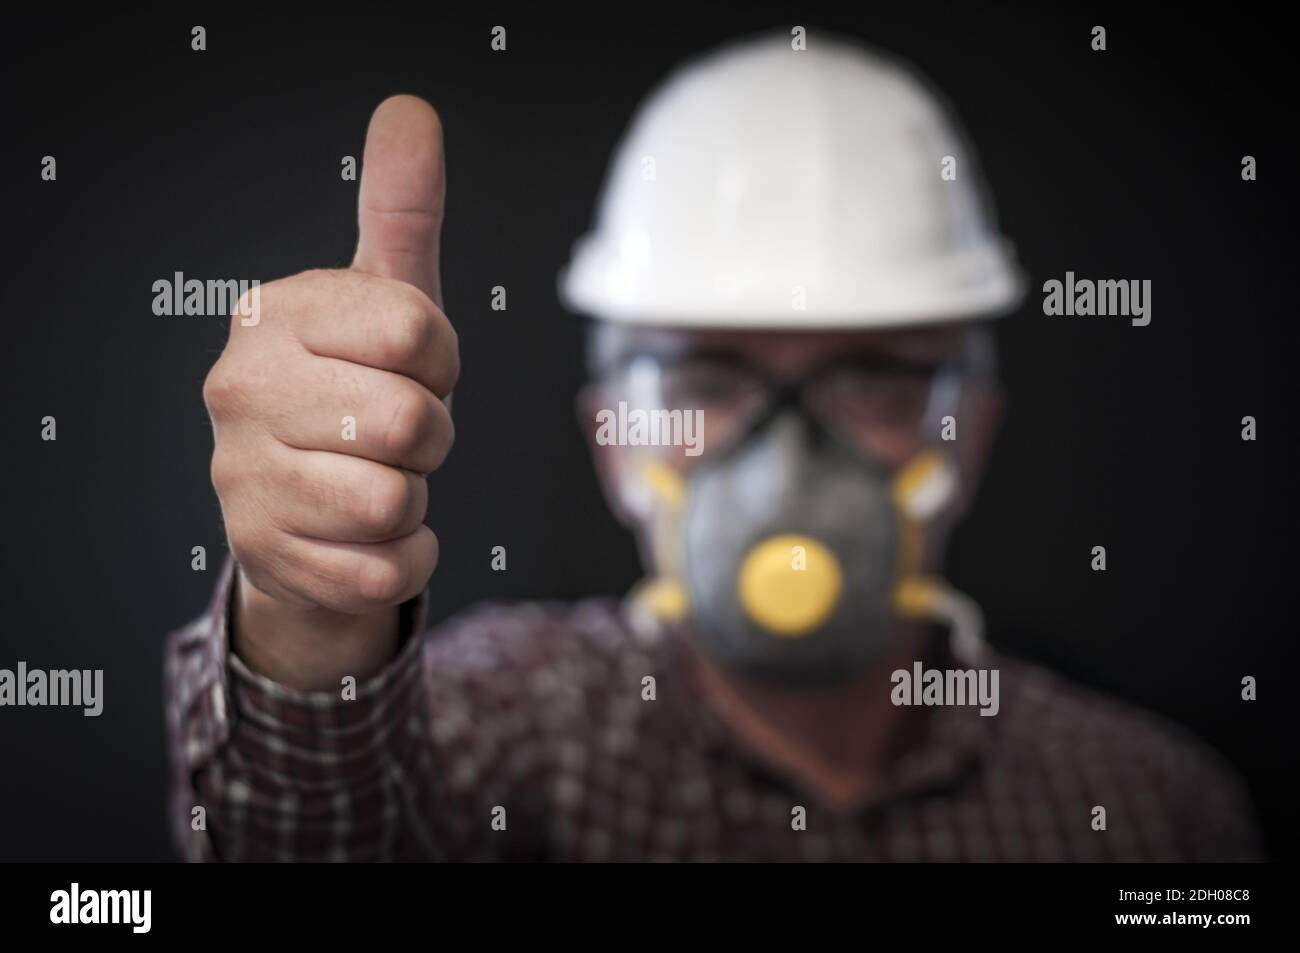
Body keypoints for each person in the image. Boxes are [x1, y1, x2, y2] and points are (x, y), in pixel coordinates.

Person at [165, 32, 1258, 861]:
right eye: (704, 375)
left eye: (873, 373)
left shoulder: (1148, 807)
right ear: (611, 438)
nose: (787, 455)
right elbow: (306, 836)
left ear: (965, 431)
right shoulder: (516, 727)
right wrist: (311, 617)